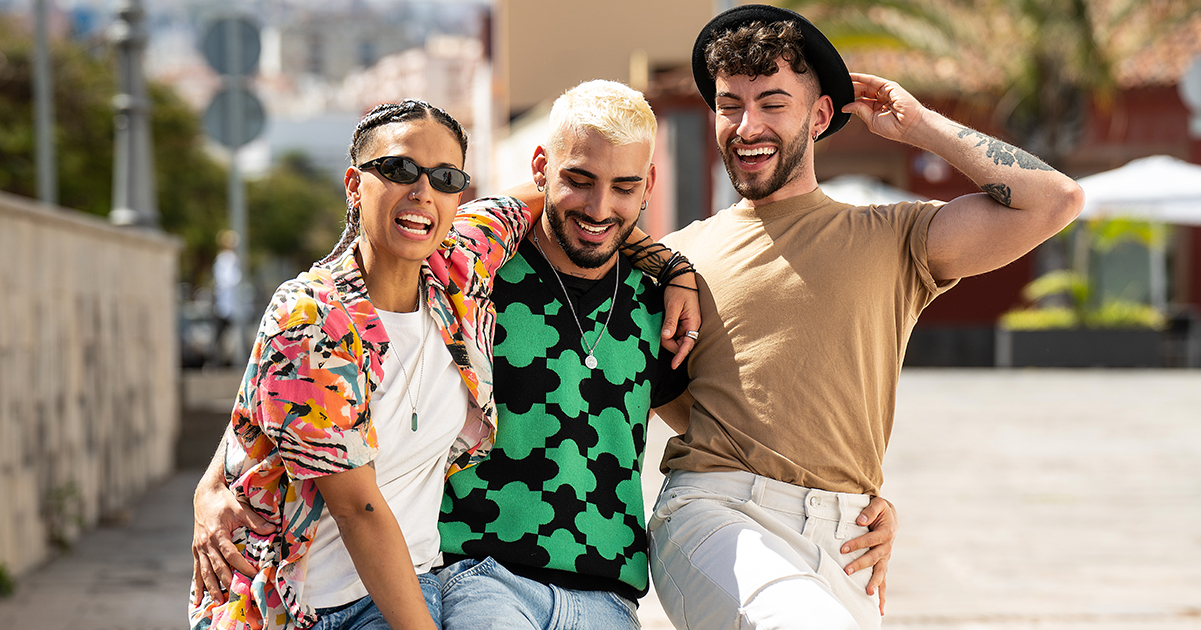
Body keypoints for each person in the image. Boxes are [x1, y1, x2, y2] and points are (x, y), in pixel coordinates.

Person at [192, 81, 895, 629]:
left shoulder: (635, 294)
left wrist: (843, 500)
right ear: (542, 169)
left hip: (604, 594)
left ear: (648, 187)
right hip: (459, 578)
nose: (599, 206)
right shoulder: (467, 276)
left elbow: (720, 431)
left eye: (625, 187)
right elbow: (300, 380)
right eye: (578, 180)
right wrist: (216, 477)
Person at [647, 5, 1086, 630]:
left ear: (820, 115)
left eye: (773, 103)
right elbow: (664, 394)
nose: (747, 126)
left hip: (849, 541)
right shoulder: (675, 258)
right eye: (729, 105)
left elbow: (1056, 200)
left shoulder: (894, 237)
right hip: (717, 516)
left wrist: (922, 127)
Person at [189, 100, 535, 630]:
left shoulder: (456, 268)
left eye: (445, 177)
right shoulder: (311, 317)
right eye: (399, 169)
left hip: (408, 585)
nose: (422, 191)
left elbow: (567, 195)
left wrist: (661, 265)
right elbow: (357, 512)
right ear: (354, 185)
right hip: (302, 608)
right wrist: (211, 482)